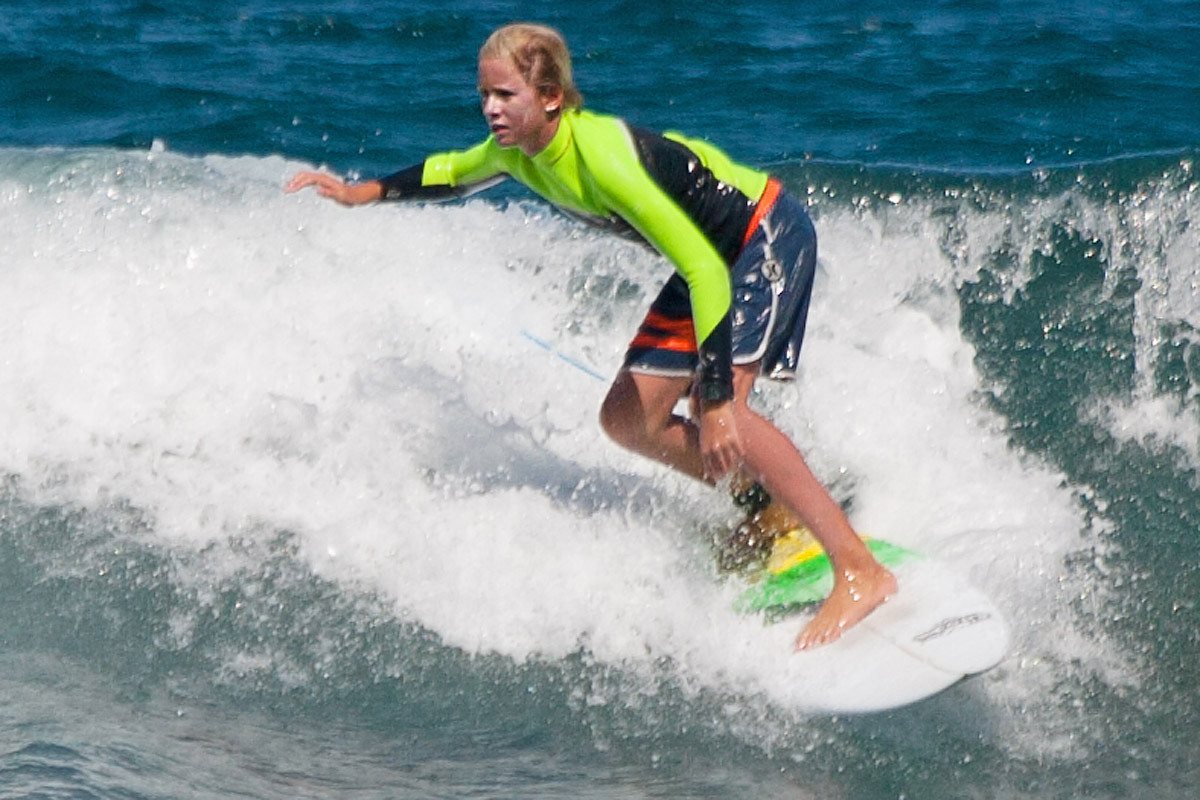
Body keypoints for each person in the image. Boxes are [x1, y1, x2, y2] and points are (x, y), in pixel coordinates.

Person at [285, 22, 896, 650]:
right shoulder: (515, 152)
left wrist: (713, 399)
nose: (491, 109)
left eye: (506, 95)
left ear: (550, 97)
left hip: (758, 237)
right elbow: (450, 172)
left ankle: (859, 570)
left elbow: (707, 269)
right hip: (708, 257)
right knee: (630, 420)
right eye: (485, 95)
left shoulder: (603, 157)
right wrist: (364, 193)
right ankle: (768, 508)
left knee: (726, 410)